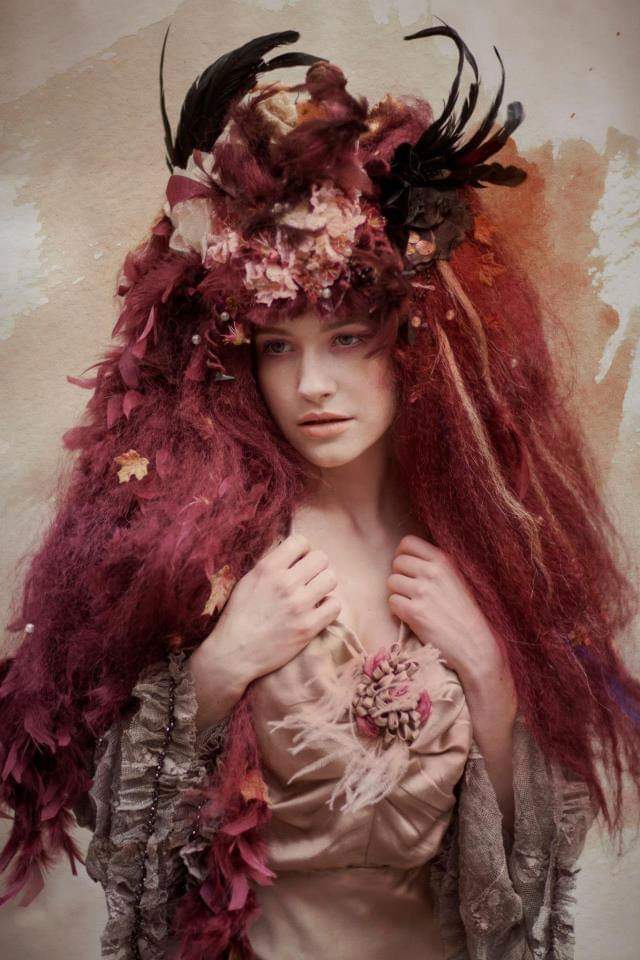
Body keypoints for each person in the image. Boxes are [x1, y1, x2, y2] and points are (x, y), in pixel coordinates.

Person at [1, 22, 639, 960]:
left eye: (347, 339)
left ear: (412, 342)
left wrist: (493, 684)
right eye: (278, 347)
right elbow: (122, 852)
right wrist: (216, 675)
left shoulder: (486, 553)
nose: (312, 386)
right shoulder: (211, 557)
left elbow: (529, 885)